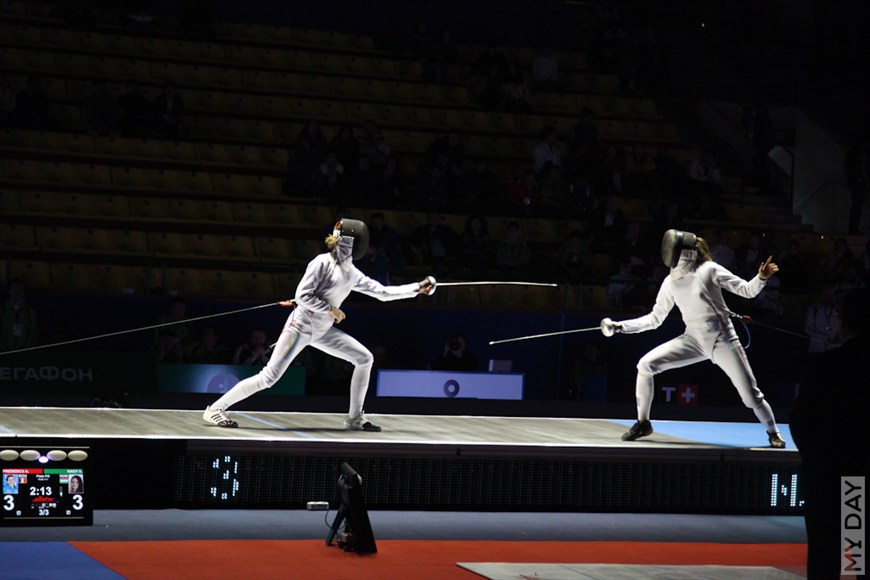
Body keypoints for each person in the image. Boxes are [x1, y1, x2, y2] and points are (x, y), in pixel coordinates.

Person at [203, 219, 436, 431]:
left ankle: (354, 418)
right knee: (269, 377)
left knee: (365, 358)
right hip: (300, 326)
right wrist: (331, 309)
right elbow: (302, 296)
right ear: (353, 242)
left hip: (323, 331)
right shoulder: (321, 263)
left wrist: (418, 288)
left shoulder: (352, 273)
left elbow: (383, 293)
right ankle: (215, 409)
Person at [600, 229, 785, 448]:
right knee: (645, 365)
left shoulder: (709, 269)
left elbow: (746, 290)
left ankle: (773, 432)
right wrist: (621, 326)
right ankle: (643, 423)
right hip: (693, 341)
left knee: (750, 397)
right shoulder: (670, 282)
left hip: (723, 340)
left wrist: (761, 278)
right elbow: (654, 319)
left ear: (686, 252)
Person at [791, 289, 869, 580]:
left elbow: (801, 422)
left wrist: (818, 462)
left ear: (843, 322)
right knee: (861, 557)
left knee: (826, 557)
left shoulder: (824, 365)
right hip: (860, 477)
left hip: (827, 478)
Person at [1, 279, 38, 353]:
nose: (17, 291)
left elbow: (33, 333)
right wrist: (3, 349)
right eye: (14, 288)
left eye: (20, 288)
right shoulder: (2, 311)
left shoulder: (29, 312)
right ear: (9, 291)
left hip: (24, 354)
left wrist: (26, 349)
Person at [804, 286, 840, 354]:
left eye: (830, 295)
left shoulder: (837, 310)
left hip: (833, 348)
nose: (827, 298)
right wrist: (824, 338)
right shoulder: (813, 310)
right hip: (817, 349)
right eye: (825, 295)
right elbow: (807, 329)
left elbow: (841, 327)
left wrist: (839, 337)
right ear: (820, 296)